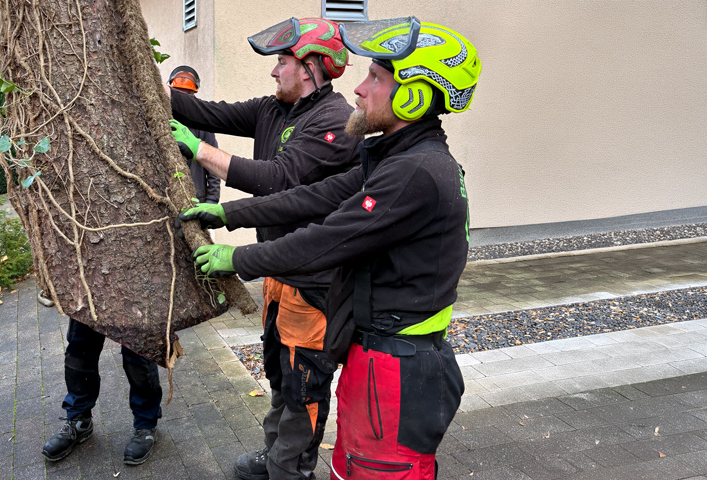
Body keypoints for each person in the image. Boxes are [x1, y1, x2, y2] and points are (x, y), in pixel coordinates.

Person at [178, 18, 482, 480]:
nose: (359, 89)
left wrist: (235, 259)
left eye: (377, 78)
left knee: (380, 470)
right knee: (354, 465)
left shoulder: (415, 173)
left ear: (414, 96)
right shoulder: (398, 157)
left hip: (400, 363)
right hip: (382, 354)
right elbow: (315, 197)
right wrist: (230, 215)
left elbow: (326, 239)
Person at [169, 17, 360, 480]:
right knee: (279, 373)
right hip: (279, 273)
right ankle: (275, 455)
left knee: (303, 386)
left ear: (312, 67)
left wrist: (198, 151)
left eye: (283, 61)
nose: (274, 71)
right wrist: (145, 85)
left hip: (314, 281)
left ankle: (291, 469)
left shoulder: (333, 121)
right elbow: (206, 111)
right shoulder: (274, 109)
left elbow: (278, 180)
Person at [41, 318, 162, 464]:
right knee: (80, 350)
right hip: (90, 296)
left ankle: (146, 424)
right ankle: (80, 421)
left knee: (138, 354)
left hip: (137, 298)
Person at [168, 65, 221, 203]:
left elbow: (213, 161)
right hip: (167, 196)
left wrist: (212, 200)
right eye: (178, 92)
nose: (182, 97)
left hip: (196, 197)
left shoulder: (202, 122)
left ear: (193, 94)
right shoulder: (162, 118)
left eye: (187, 93)